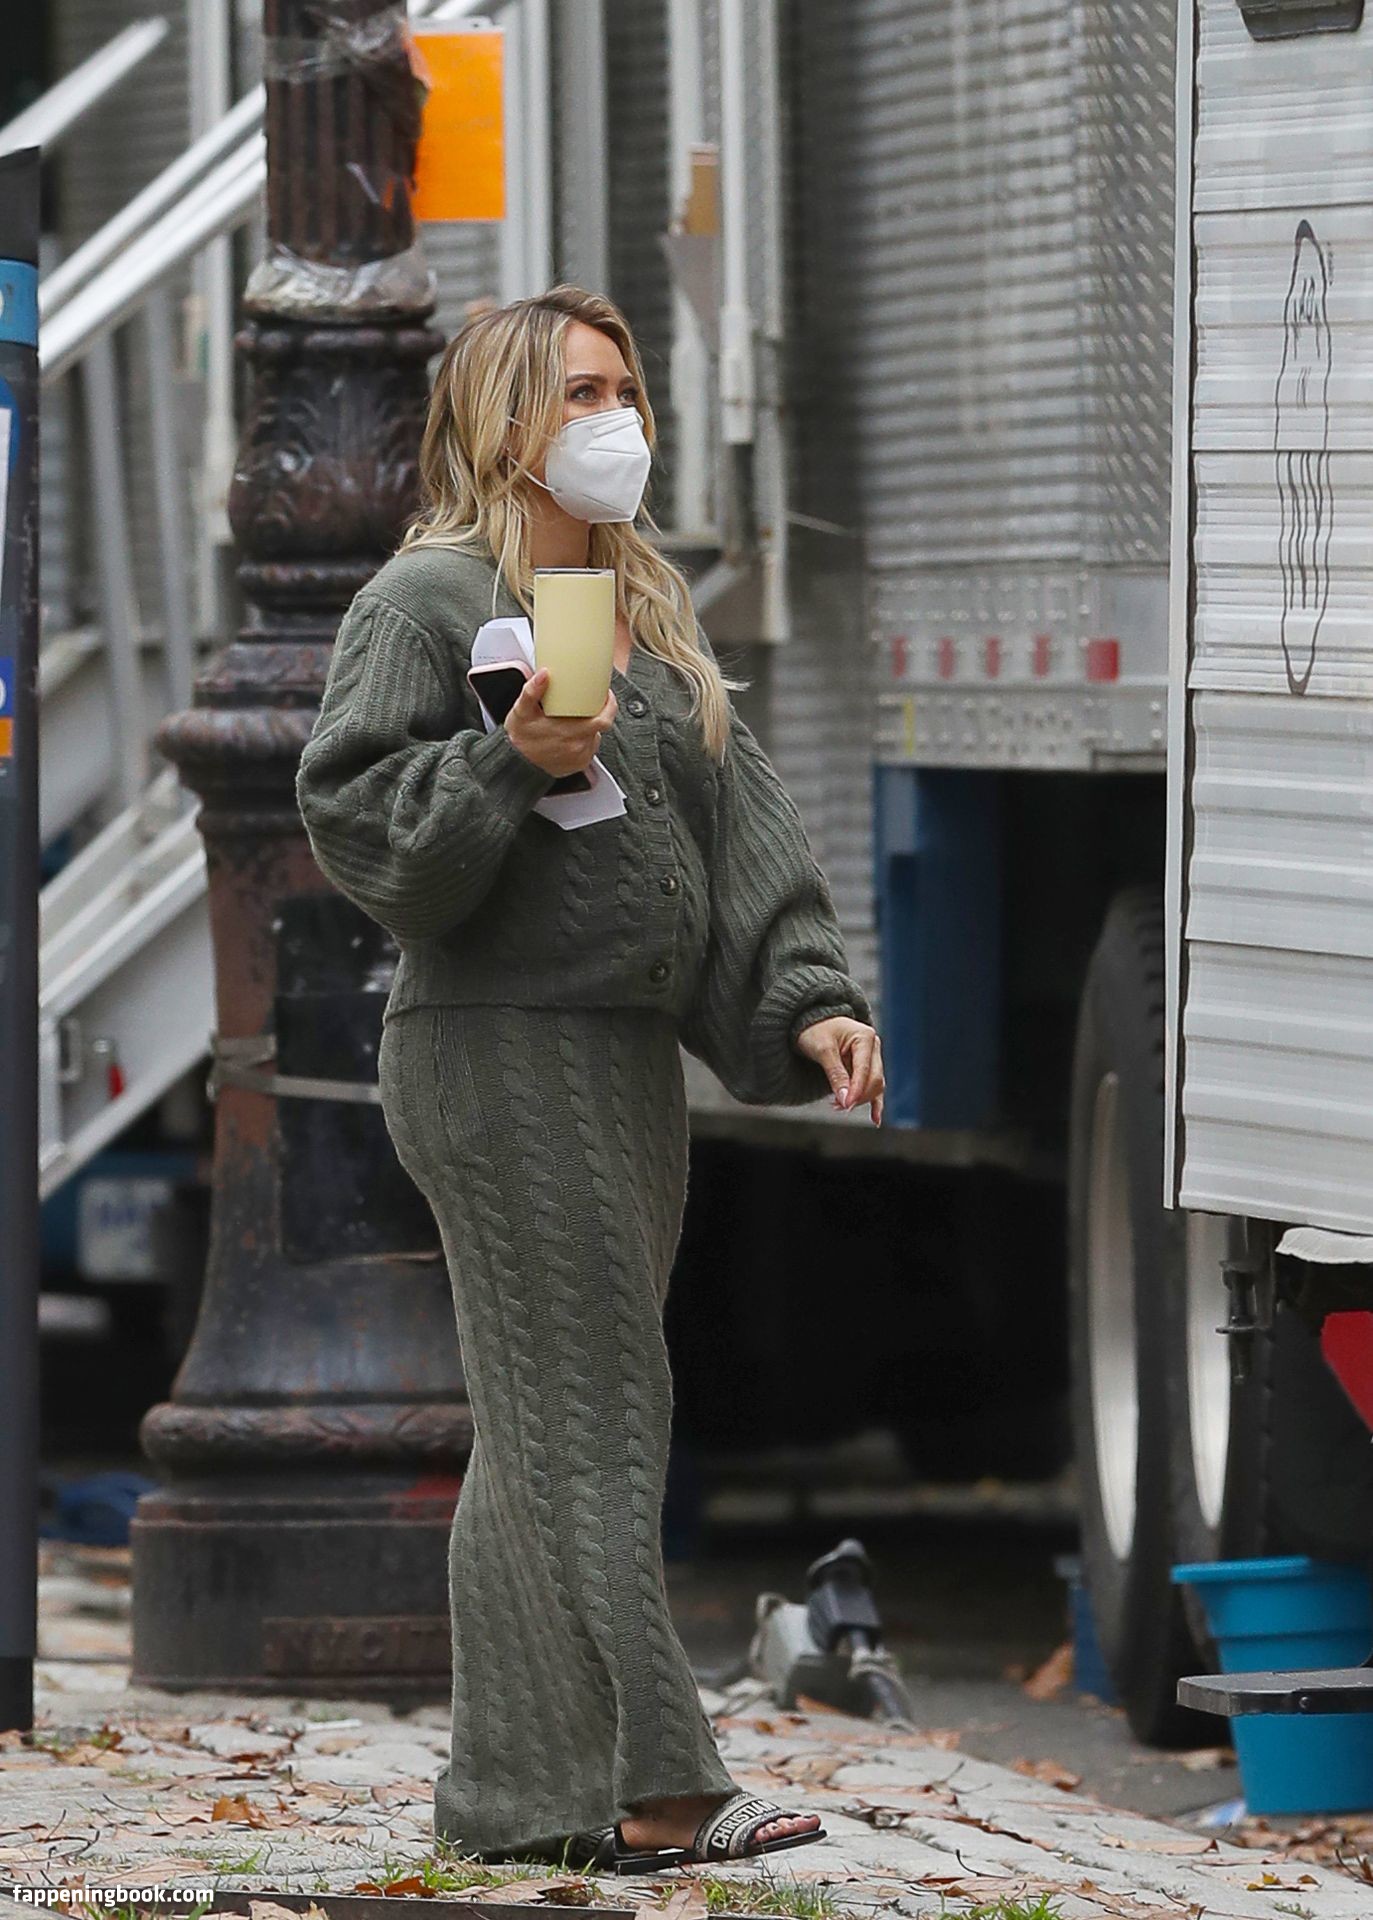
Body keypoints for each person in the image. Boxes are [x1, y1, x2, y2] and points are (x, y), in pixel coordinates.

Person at [294, 284, 885, 1873]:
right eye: (578, 391)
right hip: (496, 1056)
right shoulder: (424, 602)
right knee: (598, 1413)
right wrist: (508, 760)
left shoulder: (642, 604)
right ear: (501, 422)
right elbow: (353, 818)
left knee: (543, 1429)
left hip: (621, 1066)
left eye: (623, 387)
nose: (614, 416)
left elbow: (739, 830)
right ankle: (664, 1784)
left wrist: (809, 1000)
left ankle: (519, 1798)